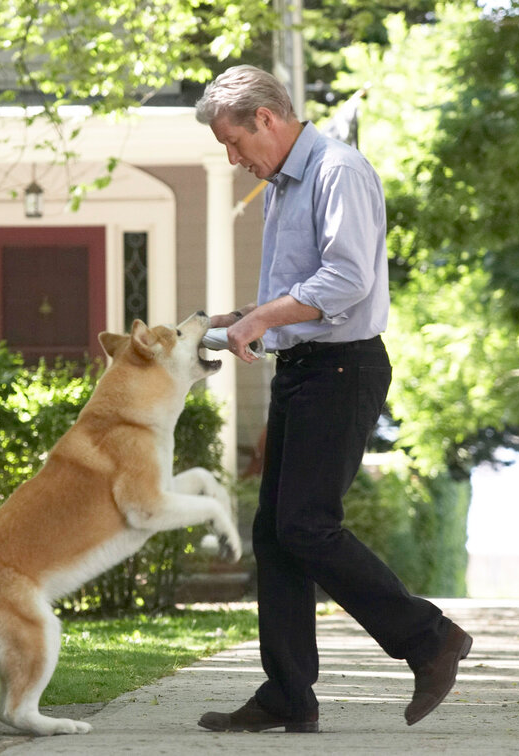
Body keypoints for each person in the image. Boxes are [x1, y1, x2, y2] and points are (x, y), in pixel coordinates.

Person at [193, 64, 473, 734]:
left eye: (235, 143)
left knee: (305, 525)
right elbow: (295, 295)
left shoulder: (336, 171)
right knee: (274, 531)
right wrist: (234, 318)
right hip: (304, 369)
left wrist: (258, 323)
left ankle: (429, 639)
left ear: (266, 117)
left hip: (344, 369)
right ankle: (289, 693)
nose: (233, 160)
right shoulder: (281, 189)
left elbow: (345, 278)